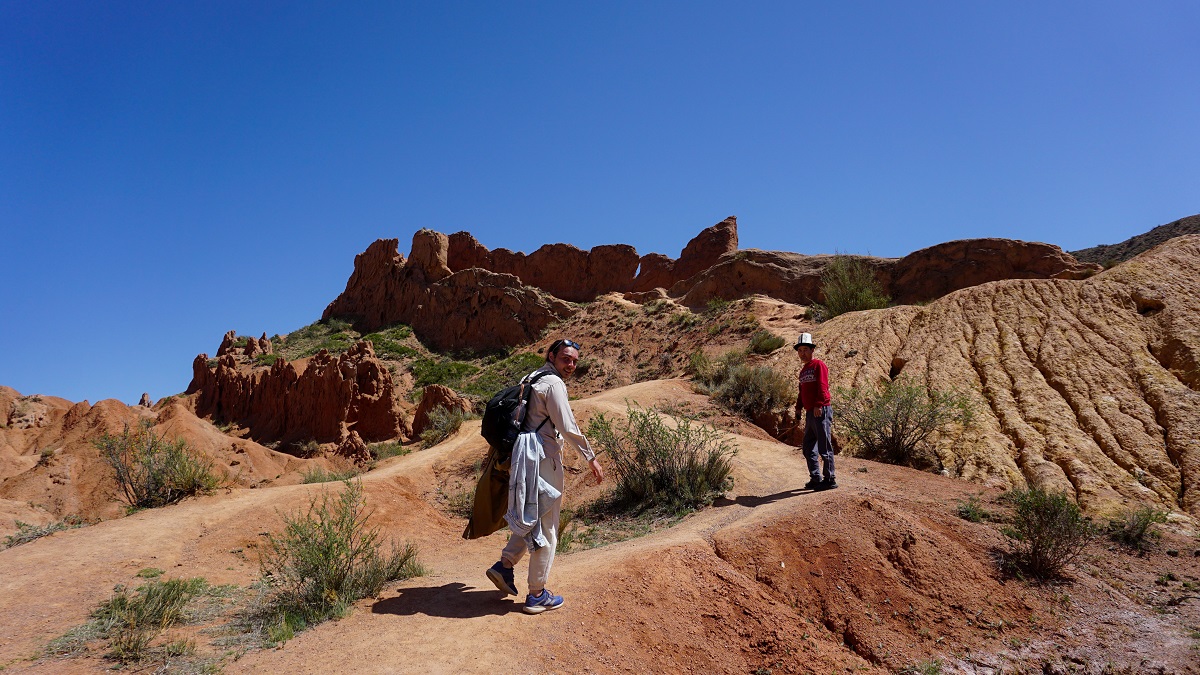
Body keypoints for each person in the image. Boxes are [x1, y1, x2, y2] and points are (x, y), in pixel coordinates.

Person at [485, 338, 605, 614]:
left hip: (522, 455)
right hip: (542, 458)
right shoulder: (553, 384)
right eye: (566, 358)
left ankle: (504, 566)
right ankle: (537, 594)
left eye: (574, 360)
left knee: (532, 515)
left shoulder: (531, 376)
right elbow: (567, 424)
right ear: (552, 355)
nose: (571, 365)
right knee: (547, 527)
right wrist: (590, 457)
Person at [794, 333, 836, 490]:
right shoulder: (803, 371)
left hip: (821, 410)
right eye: (800, 350)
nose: (802, 353)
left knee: (824, 445)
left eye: (805, 349)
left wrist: (819, 404)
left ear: (812, 350)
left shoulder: (819, 365)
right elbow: (801, 392)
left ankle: (830, 479)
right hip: (810, 412)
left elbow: (822, 386)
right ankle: (816, 477)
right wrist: (798, 408)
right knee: (808, 446)